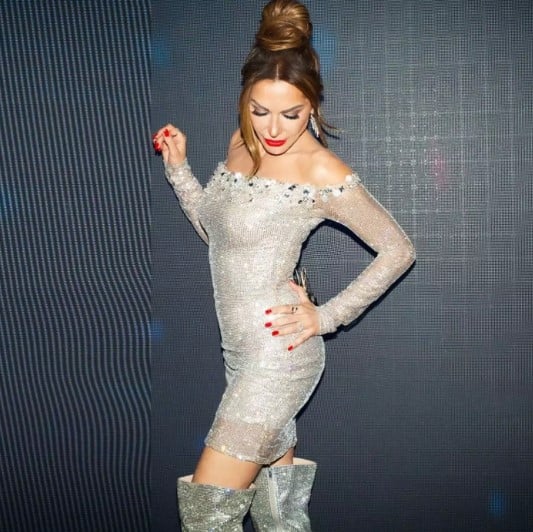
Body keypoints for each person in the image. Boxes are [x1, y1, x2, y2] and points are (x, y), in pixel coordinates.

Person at [153, 0, 415, 529]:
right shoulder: (240, 144)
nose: (273, 128)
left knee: (206, 516)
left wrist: (328, 316)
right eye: (259, 111)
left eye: (291, 114)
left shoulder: (321, 170)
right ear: (244, 103)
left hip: (278, 358)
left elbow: (398, 250)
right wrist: (180, 171)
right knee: (280, 516)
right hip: (237, 354)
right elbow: (219, 237)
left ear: (312, 105)